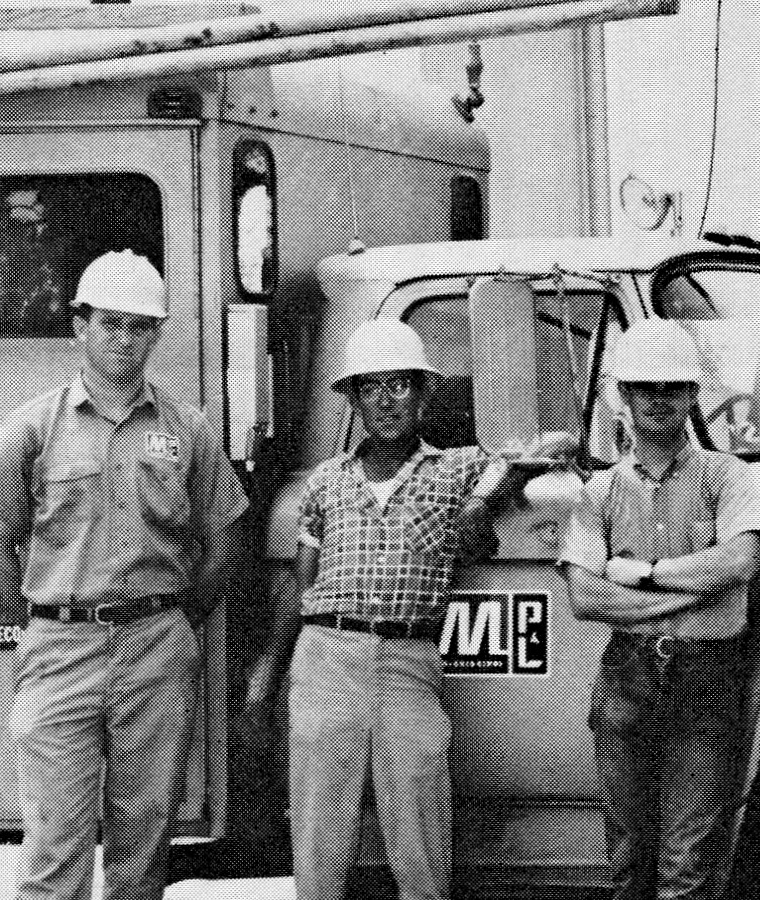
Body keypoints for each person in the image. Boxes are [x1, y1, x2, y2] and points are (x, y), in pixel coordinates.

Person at [241, 318, 569, 900]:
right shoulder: (324, 483)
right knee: (320, 844)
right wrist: (268, 672)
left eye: (400, 385)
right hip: (326, 659)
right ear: (354, 399)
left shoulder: (457, 467)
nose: (386, 400)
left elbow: (554, 447)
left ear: (422, 394)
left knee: (420, 840)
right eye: (372, 387)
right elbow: (298, 588)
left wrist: (488, 498)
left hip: (409, 663)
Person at [0, 250, 249, 900]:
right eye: (111, 322)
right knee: (53, 846)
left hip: (155, 647)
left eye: (140, 325)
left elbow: (225, 530)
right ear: (80, 325)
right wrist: (39, 625)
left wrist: (180, 618)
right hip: (59, 651)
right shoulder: (32, 427)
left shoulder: (186, 430)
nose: (125, 338)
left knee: (143, 846)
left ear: (156, 333)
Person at [559, 318, 760, 900]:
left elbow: (741, 560)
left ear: (693, 394)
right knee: (626, 851)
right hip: (628, 677)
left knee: (690, 857)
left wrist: (645, 577)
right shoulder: (598, 492)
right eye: (644, 387)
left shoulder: (727, 476)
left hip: (707, 676)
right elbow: (585, 595)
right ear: (623, 395)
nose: (657, 400)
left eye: (671, 387)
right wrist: (693, 590)